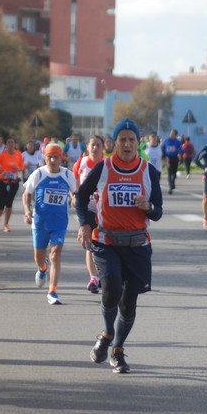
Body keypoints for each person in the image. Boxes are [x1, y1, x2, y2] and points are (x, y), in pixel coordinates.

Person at [76, 118, 163, 374]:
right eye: (122, 139)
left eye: (132, 140)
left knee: (129, 303)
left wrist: (149, 207)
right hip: (106, 241)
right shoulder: (103, 168)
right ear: (115, 143)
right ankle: (106, 333)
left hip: (137, 244)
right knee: (112, 287)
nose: (127, 144)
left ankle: (117, 348)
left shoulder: (149, 172)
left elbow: (158, 212)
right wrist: (85, 224)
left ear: (138, 143)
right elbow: (82, 197)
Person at [23, 143, 76, 305]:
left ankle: (52, 290)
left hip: (59, 223)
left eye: (56, 157)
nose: (52, 160)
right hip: (40, 222)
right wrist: (27, 210)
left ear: (62, 158)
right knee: (39, 258)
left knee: (55, 254)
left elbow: (75, 193)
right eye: (49, 157)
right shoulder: (38, 174)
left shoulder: (68, 175)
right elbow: (27, 194)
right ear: (44, 158)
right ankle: (42, 268)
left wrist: (74, 200)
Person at [72, 134, 104, 294]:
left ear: (103, 148)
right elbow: (75, 181)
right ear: (87, 147)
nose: (95, 148)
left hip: (105, 211)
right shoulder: (81, 163)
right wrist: (74, 196)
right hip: (88, 209)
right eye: (93, 145)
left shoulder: (108, 164)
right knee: (89, 243)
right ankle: (93, 278)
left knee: (105, 244)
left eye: (98, 145)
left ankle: (105, 275)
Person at [0, 135, 25, 232]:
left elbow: (22, 167)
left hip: (13, 182)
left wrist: (17, 169)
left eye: (12, 142)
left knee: (9, 203)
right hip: (1, 181)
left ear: (15, 144)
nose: (10, 144)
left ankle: (6, 224)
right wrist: (0, 172)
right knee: (1, 204)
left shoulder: (18, 154)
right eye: (8, 142)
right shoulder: (2, 155)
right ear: (6, 145)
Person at [162, 129, 181, 194]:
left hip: (175, 158)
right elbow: (163, 149)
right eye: (170, 133)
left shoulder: (177, 141)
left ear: (175, 135)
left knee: (174, 173)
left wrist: (179, 153)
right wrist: (163, 157)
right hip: (168, 158)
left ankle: (173, 182)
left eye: (173, 133)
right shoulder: (166, 141)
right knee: (169, 173)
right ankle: (170, 188)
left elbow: (181, 149)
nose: (171, 134)